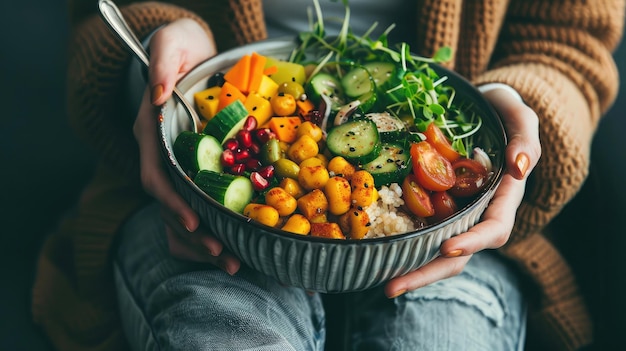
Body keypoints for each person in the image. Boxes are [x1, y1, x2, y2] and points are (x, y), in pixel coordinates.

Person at [31, 0, 624, 350]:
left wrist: (522, 111)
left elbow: (568, 41)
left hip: (451, 236)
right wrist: (159, 59)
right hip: (203, 225)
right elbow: (97, 15)